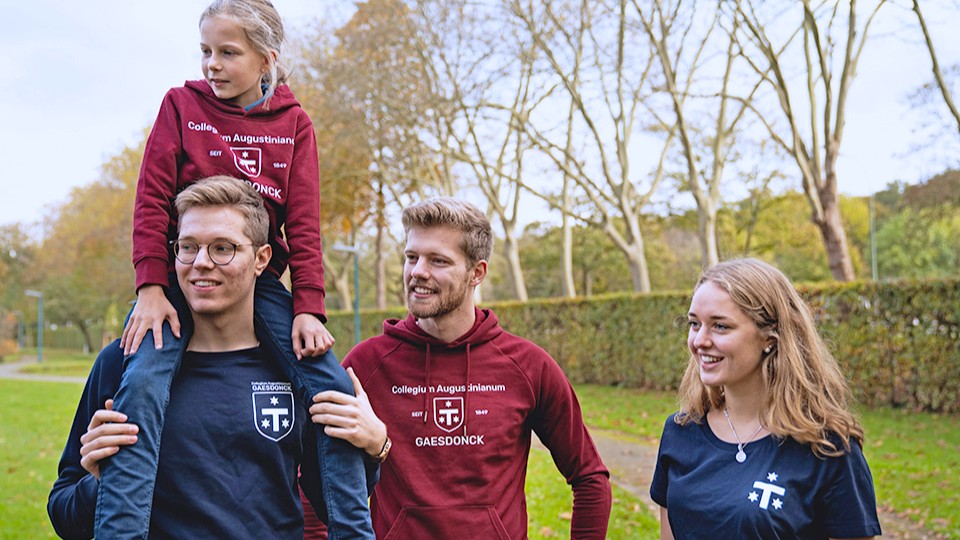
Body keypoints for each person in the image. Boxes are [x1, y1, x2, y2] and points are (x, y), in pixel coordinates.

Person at [99, 1, 374, 538]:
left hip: (257, 284)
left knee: (330, 385)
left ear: (266, 59)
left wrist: (309, 308)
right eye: (205, 51)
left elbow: (304, 224)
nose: (212, 64)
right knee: (143, 381)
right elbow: (151, 199)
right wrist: (151, 287)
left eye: (228, 53)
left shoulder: (294, 125)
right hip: (179, 282)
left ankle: (353, 531)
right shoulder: (181, 106)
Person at [48, 177, 376, 539]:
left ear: (261, 259)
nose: (201, 263)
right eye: (188, 247)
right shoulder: (124, 361)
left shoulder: (297, 366)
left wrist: (374, 446)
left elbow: (331, 504)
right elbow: (64, 516)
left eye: (223, 248)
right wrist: (100, 479)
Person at [309, 197, 612, 539]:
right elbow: (317, 478)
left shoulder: (528, 366)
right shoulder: (367, 366)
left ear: (476, 273)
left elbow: (590, 478)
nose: (418, 271)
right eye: (412, 257)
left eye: (438, 260)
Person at [650, 258, 882, 539]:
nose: (700, 341)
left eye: (720, 326)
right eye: (694, 324)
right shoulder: (680, 432)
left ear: (770, 338)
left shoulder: (828, 448)